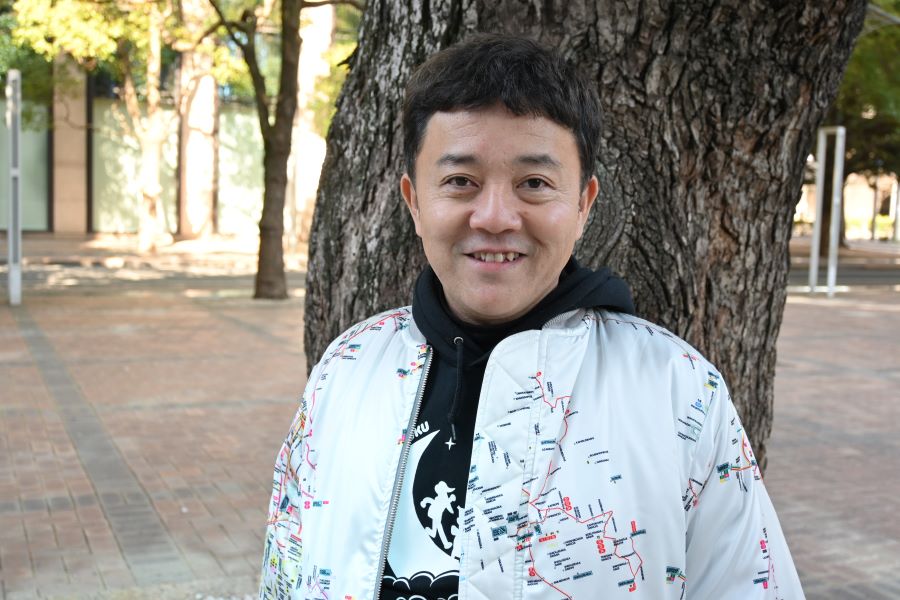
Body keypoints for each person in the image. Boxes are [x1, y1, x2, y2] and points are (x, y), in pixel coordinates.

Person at [259, 33, 804, 600]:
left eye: (535, 184)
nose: (495, 217)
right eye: (460, 181)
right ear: (415, 201)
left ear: (583, 205)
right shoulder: (347, 370)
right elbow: (284, 574)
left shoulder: (678, 391)